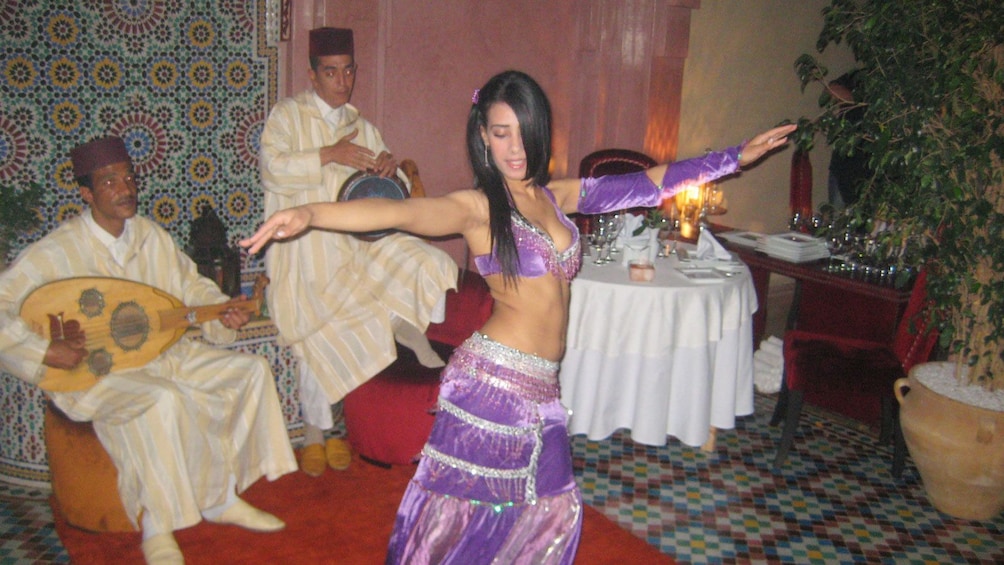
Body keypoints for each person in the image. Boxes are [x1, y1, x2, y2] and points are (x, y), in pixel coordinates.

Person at [243, 70, 796, 564]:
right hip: (491, 385)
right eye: (499, 132)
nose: (513, 147)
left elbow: (650, 181)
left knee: (548, 515)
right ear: (482, 136)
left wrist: (733, 158)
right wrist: (311, 214)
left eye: (521, 130)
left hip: (543, 390)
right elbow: (398, 210)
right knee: (459, 521)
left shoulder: (557, 198)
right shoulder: (477, 207)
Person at [0, 136, 298, 565]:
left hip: (160, 354)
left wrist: (218, 312)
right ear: (86, 193)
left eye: (128, 177)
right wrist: (43, 351)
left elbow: (190, 286)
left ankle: (219, 496)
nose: (125, 188)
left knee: (250, 371)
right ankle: (157, 524)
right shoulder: (59, 249)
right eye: (109, 182)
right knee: (162, 400)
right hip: (98, 371)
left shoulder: (151, 237)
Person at [258, 26, 458, 476]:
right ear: (312, 75)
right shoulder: (287, 116)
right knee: (316, 325)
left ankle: (408, 323)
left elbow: (388, 194)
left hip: (356, 246)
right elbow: (273, 170)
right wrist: (329, 154)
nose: (342, 81)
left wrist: (392, 167)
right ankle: (315, 431)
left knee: (422, 258)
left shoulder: (362, 125)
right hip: (303, 248)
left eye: (348, 71)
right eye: (331, 72)